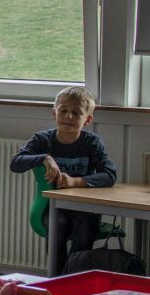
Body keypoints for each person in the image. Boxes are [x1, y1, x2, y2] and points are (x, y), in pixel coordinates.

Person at [10, 86, 116, 277]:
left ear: (87, 120)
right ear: (54, 113)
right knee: (57, 225)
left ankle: (73, 278)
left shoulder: (91, 143)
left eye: (76, 113)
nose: (68, 117)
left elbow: (109, 174)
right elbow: (16, 163)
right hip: (52, 208)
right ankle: (56, 279)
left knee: (84, 228)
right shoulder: (42, 140)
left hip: (84, 208)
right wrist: (45, 158)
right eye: (63, 111)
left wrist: (75, 182)